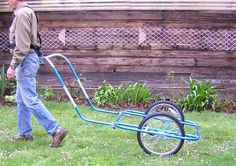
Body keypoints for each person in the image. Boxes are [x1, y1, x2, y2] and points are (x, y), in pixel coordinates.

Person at [6, 0, 68, 148]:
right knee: (21, 99)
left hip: (25, 59)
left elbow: (22, 45)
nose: (7, 2)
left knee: (29, 99)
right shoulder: (27, 11)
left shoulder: (22, 13)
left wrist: (12, 66)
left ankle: (56, 129)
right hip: (28, 58)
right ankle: (25, 133)